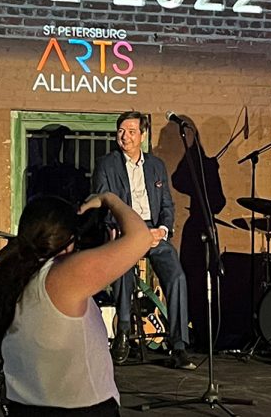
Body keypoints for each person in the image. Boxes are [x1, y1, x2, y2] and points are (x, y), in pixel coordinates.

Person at [0, 193, 152, 416]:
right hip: (80, 409)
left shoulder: (11, 275)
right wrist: (109, 199)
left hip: (23, 407)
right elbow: (141, 238)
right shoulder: (63, 276)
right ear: (68, 240)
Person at [92, 111, 195, 370]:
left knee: (177, 276)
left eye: (131, 132)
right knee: (123, 268)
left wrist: (161, 230)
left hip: (153, 231)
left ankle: (179, 345)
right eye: (121, 131)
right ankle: (124, 333)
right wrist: (126, 230)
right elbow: (105, 202)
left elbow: (167, 205)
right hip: (125, 229)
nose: (124, 137)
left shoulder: (156, 166)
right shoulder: (107, 164)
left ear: (143, 135)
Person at [171, 121, 226, 351]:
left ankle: (208, 333)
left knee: (208, 279)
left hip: (205, 224)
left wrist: (210, 170)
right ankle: (195, 331)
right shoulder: (195, 162)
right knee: (192, 279)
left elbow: (218, 202)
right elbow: (178, 180)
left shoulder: (206, 165)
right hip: (197, 225)